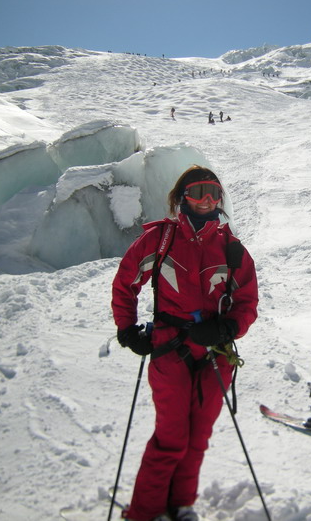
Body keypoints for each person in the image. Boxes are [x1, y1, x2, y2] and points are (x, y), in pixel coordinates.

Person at [111, 166, 259, 521]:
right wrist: (128, 330)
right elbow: (126, 282)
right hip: (170, 349)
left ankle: (180, 505)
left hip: (216, 355)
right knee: (171, 438)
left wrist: (226, 330)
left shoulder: (231, 248)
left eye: (214, 193)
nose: (207, 201)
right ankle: (145, 513)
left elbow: (247, 303)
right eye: (198, 192)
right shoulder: (160, 240)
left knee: (197, 438)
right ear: (182, 198)